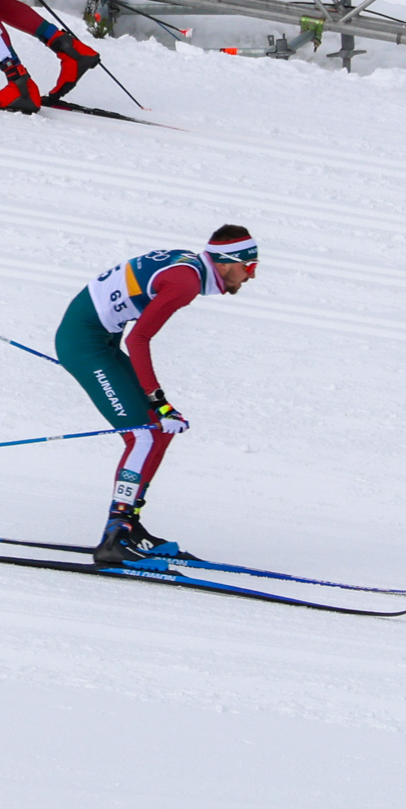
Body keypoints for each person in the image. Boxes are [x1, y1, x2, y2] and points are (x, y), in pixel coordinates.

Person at [54, 227, 259, 563]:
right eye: (248, 266)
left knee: (159, 431)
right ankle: (114, 536)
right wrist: (159, 401)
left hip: (98, 341)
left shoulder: (189, 267)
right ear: (223, 263)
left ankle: (130, 525)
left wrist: (159, 407)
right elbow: (138, 340)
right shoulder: (185, 283)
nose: (251, 275)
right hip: (86, 345)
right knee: (143, 435)